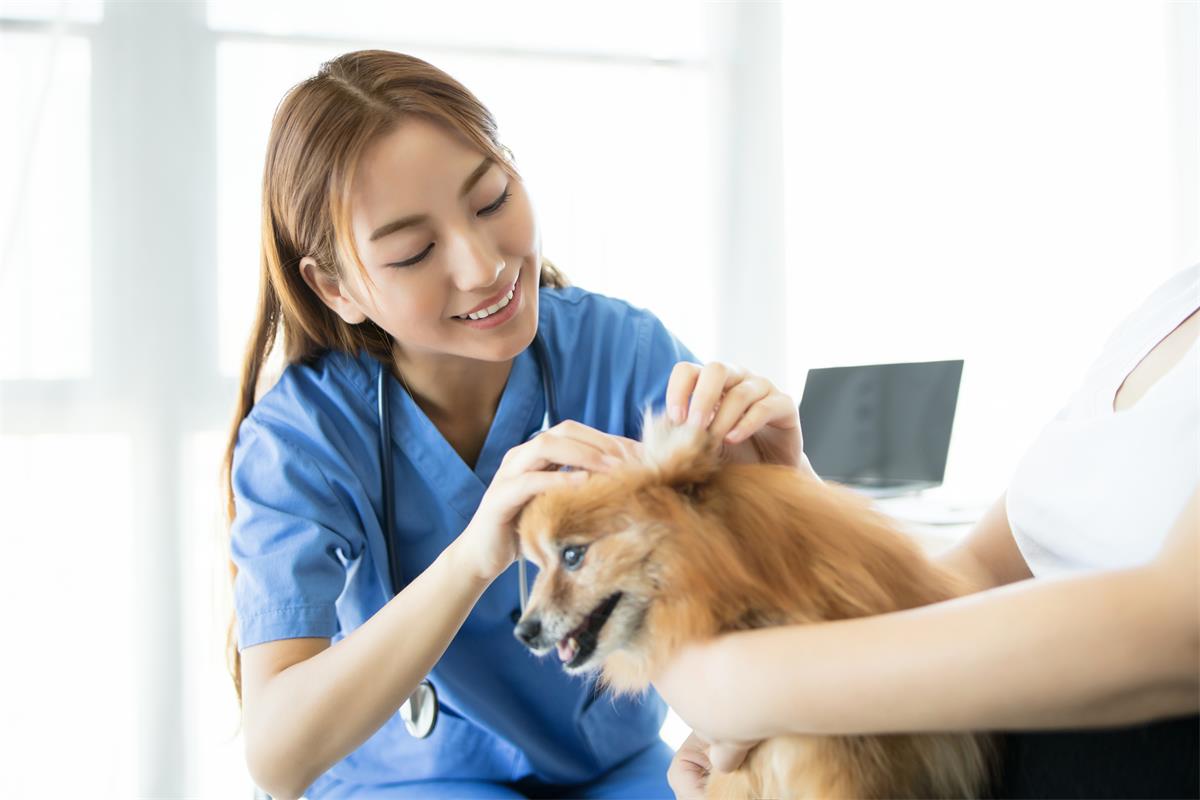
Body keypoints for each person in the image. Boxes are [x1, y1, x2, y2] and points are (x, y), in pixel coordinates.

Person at [221, 49, 803, 799]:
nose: (482, 264)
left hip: (613, 767)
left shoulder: (620, 352)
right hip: (409, 780)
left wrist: (788, 482)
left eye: (492, 200)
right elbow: (277, 755)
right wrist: (474, 556)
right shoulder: (304, 437)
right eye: (414, 251)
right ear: (336, 289)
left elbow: (778, 601)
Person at [657, 264, 1200, 799]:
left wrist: (747, 686)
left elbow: (1181, 624)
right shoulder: (1165, 311)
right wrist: (793, 505)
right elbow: (973, 576)